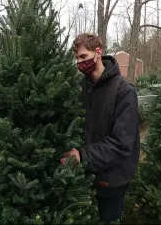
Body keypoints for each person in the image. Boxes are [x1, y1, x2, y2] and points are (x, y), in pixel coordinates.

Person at [60, 33, 140, 224]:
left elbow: (121, 144)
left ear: (98, 52)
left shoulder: (124, 91)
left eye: (83, 57)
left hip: (112, 179)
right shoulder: (82, 87)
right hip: (87, 174)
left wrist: (82, 156)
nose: (79, 63)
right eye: (77, 58)